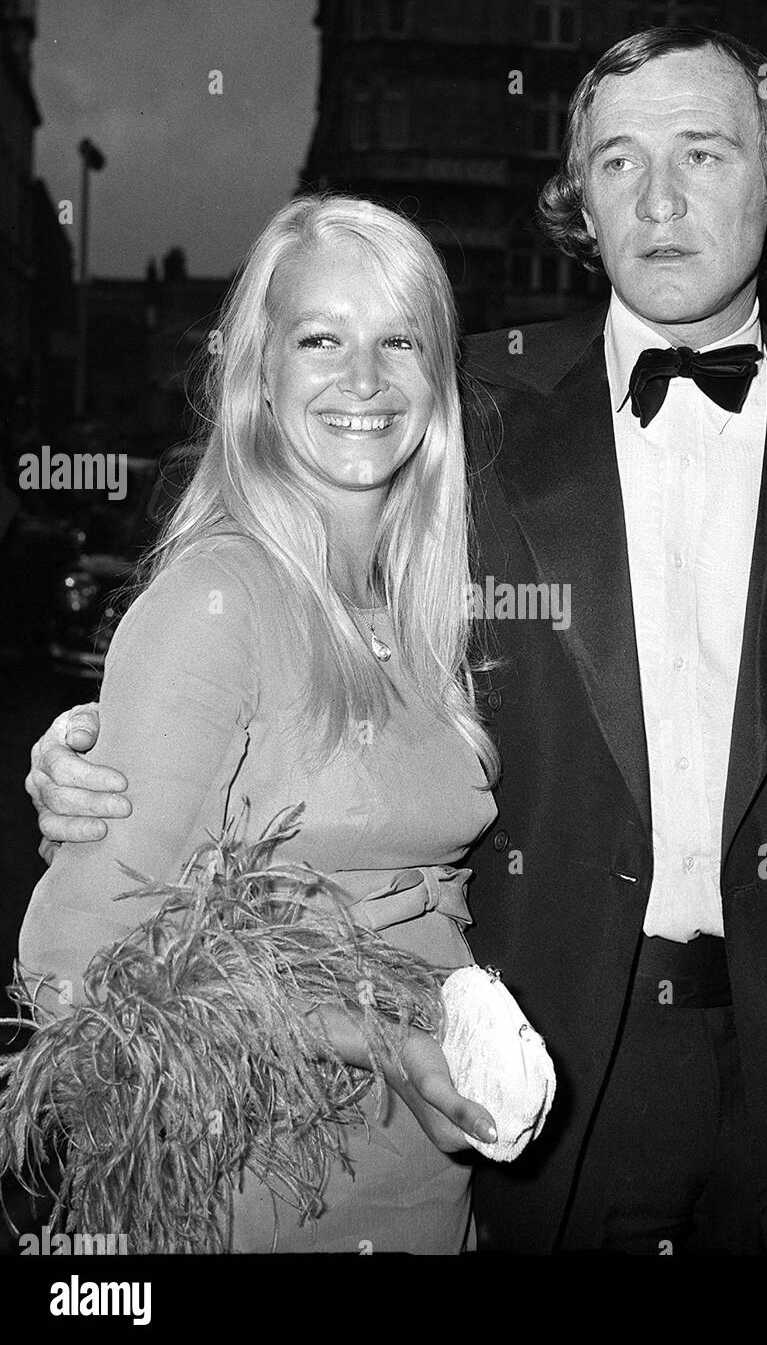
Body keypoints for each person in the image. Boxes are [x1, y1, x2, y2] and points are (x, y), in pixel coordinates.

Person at [29, 26, 767, 1254]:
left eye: (702, 152)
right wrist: (99, 754)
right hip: (526, 1063)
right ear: (578, 201)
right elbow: (288, 595)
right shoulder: (458, 408)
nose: (658, 199)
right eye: (615, 162)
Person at [19, 193, 502, 1253]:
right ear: (258, 375)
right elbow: (70, 983)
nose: (364, 380)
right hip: (256, 1193)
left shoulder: (411, 607)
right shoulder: (219, 600)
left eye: (399, 341)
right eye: (320, 338)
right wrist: (365, 1037)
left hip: (423, 1180)